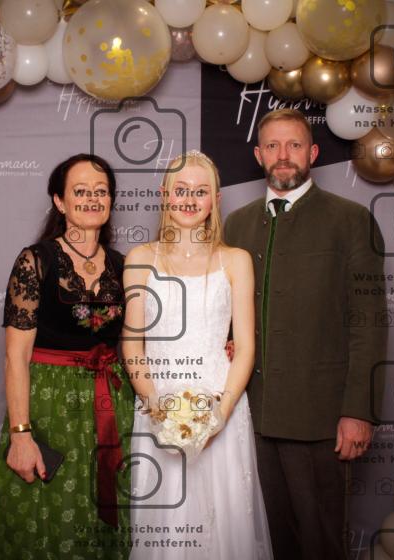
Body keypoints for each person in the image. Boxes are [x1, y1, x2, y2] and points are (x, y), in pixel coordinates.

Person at [223, 108, 388, 559]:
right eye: (273, 146)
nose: (283, 155)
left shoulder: (351, 220)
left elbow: (370, 322)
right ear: (258, 155)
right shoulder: (236, 224)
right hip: (251, 416)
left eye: (294, 145)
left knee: (319, 541)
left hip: (320, 417)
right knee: (267, 540)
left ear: (312, 153)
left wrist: (359, 410)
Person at [122, 150, 273, 559]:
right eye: (181, 189)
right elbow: (133, 345)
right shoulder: (139, 259)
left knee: (223, 523)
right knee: (165, 524)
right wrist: (157, 408)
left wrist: (218, 416)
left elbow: (246, 347)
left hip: (221, 405)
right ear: (164, 195)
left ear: (215, 200)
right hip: (158, 408)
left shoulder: (236, 261)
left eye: (200, 191)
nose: (189, 199)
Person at [0, 154, 135, 560]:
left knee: (103, 521)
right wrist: (21, 434)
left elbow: (140, 343)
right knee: (45, 524)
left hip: (110, 405)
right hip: (49, 407)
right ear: (59, 201)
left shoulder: (125, 266)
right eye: (80, 191)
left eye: (101, 191)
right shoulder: (36, 261)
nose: (92, 199)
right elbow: (15, 357)